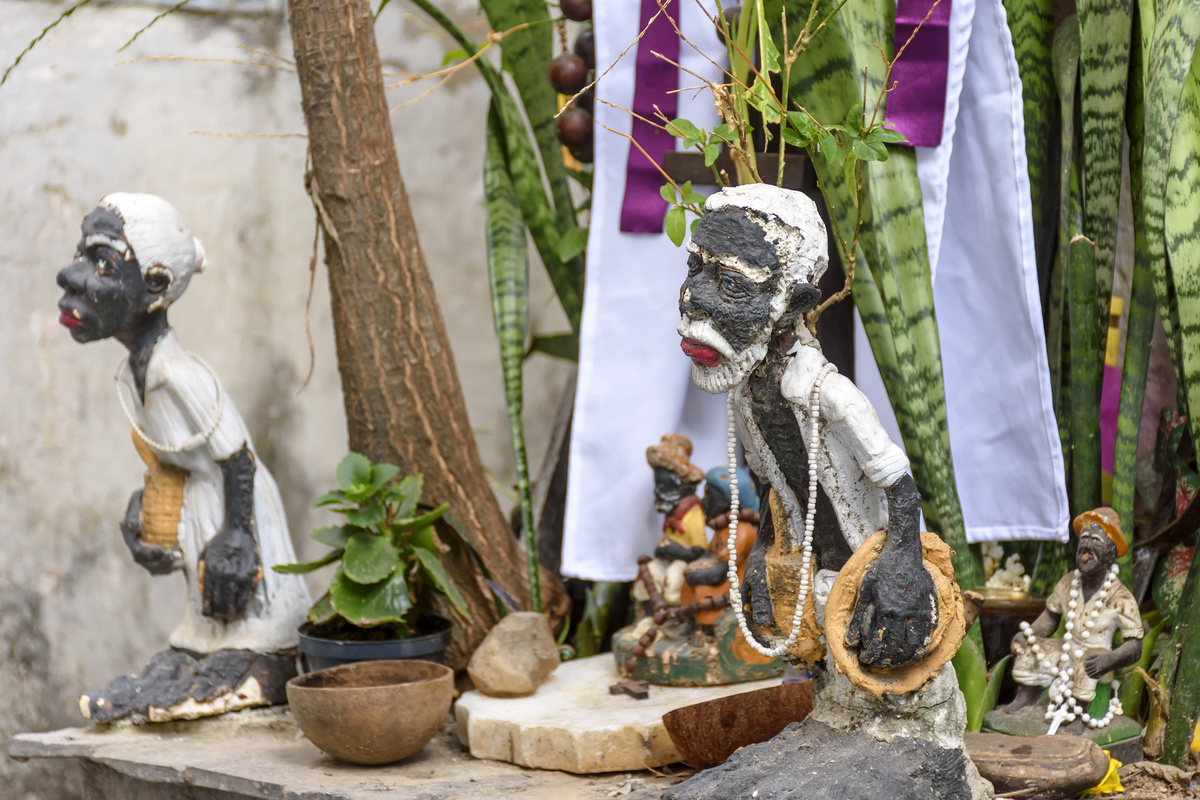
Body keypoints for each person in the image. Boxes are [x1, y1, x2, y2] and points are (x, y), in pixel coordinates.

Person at [56, 193, 310, 722]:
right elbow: (171, 459)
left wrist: (237, 535)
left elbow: (237, 455)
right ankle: (179, 676)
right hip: (205, 507)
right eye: (83, 256)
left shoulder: (178, 374)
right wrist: (144, 513)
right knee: (201, 635)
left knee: (250, 629)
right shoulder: (135, 372)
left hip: (234, 508)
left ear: (154, 285)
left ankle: (258, 667)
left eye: (101, 264)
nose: (71, 275)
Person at [677, 183, 936, 669]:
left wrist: (903, 564)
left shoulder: (828, 393)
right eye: (696, 269)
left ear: (793, 306)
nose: (694, 299)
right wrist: (762, 553)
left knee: (878, 673)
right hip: (809, 563)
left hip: (865, 559)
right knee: (823, 665)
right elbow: (774, 481)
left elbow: (899, 482)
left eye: (733, 285)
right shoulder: (747, 391)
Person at [1005, 508, 1143, 720]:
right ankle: (1026, 697)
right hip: (1067, 648)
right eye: (1084, 539)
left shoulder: (1122, 598)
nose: (1086, 546)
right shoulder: (1068, 582)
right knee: (1031, 648)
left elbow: (1134, 646)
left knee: (1086, 662)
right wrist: (1029, 635)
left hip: (1097, 659)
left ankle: (1080, 714)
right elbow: (1050, 618)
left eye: (1096, 540)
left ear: (1110, 552)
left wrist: (1110, 659)